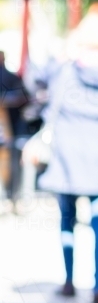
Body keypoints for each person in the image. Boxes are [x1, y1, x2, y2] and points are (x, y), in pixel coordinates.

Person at [31, 16, 98, 303]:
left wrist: (62, 55)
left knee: (67, 219)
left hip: (67, 153)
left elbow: (40, 87)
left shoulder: (66, 69)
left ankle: (69, 281)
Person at [0, 50, 29, 200]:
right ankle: (11, 196)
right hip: (8, 129)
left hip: (10, 128)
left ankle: (12, 196)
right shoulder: (10, 77)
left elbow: (22, 98)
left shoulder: (10, 77)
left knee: (11, 164)